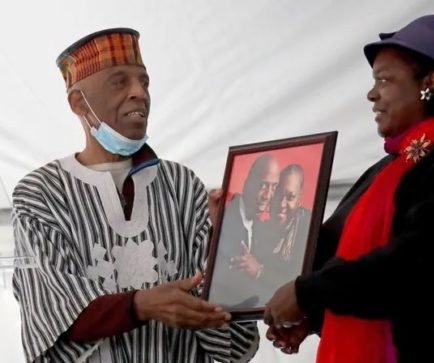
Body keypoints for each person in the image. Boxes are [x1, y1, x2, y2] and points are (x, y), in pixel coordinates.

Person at [11, 28, 258, 363]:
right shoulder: (41, 193)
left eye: (145, 82)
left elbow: (222, 306)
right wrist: (142, 305)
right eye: (119, 82)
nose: (139, 93)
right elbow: (52, 307)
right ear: (78, 102)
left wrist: (224, 238)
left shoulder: (182, 184)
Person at [263, 14, 434, 362]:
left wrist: (307, 292)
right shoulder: (392, 167)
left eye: (385, 79)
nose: (371, 94)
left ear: (430, 83)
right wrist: (313, 313)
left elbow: (422, 267)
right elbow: (343, 265)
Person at [208, 154, 280, 309]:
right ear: (248, 183)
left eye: (273, 187)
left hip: (248, 323)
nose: (268, 196)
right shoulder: (221, 216)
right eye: (263, 185)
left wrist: (258, 270)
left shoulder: (264, 229)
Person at [257, 164, 312, 304]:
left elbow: (296, 280)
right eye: (278, 196)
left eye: (290, 197)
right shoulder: (261, 229)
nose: (282, 204)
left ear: (300, 197)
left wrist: (259, 270)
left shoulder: (309, 229)